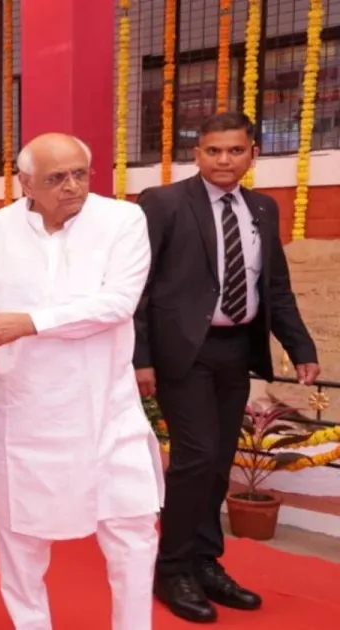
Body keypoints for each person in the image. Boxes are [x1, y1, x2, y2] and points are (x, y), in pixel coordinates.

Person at [0, 133, 163, 630]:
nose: (72, 187)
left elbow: (116, 304)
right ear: (24, 181)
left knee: (134, 532)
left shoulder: (122, 220)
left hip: (105, 412)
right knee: (20, 540)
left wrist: (30, 321)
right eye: (56, 178)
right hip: (22, 414)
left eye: (80, 174)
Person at [135, 112, 318, 623]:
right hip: (183, 353)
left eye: (234, 151)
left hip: (237, 349)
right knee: (194, 456)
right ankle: (171, 569)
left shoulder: (262, 207)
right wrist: (140, 357)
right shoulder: (164, 203)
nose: (223, 160)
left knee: (218, 460)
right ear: (198, 154)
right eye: (213, 151)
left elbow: (274, 286)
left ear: (252, 153)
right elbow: (138, 289)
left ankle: (205, 561)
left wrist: (300, 347)